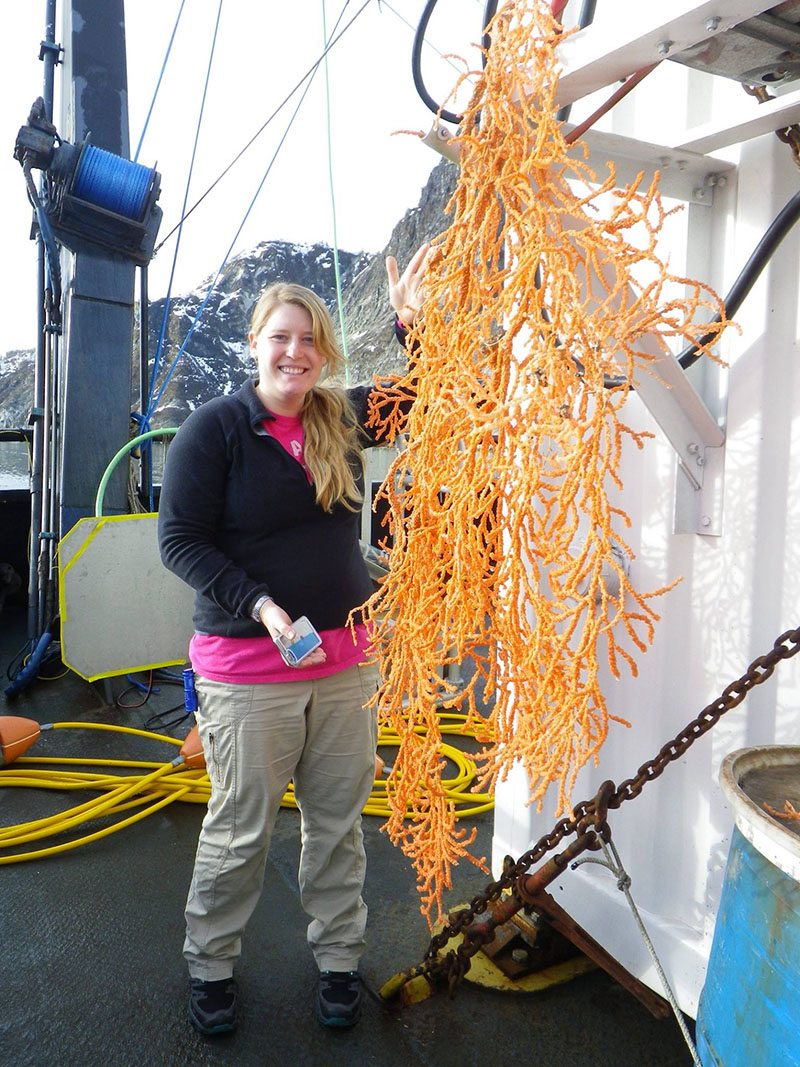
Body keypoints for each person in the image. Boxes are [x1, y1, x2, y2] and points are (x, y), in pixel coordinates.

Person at [157, 243, 428, 1036]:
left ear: (324, 354)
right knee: (242, 829)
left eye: (309, 340)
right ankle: (210, 965)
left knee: (338, 824)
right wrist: (262, 604)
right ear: (255, 344)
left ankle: (339, 958)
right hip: (245, 671)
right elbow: (180, 540)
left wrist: (411, 317)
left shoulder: (341, 418)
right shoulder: (216, 430)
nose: (295, 352)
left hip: (344, 667)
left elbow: (426, 392)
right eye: (281, 336)